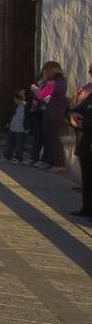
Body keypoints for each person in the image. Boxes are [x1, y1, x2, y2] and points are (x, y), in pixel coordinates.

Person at [30, 61, 69, 171]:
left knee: (52, 138)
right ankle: (52, 162)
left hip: (51, 113)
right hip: (57, 112)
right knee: (52, 138)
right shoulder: (62, 82)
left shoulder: (53, 83)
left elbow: (42, 96)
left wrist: (35, 89)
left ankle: (58, 163)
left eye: (45, 71)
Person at [68, 63, 92, 218]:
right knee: (87, 179)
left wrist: (84, 123)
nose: (90, 73)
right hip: (86, 143)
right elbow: (76, 110)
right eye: (90, 70)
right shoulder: (88, 91)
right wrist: (72, 114)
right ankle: (87, 208)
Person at [4, 90, 28, 163]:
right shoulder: (15, 106)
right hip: (13, 127)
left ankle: (18, 158)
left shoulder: (26, 106)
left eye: (15, 99)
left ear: (19, 99)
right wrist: (9, 122)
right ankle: (7, 156)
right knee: (10, 142)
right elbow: (12, 115)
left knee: (19, 144)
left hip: (21, 129)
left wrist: (27, 127)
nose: (14, 100)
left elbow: (28, 118)